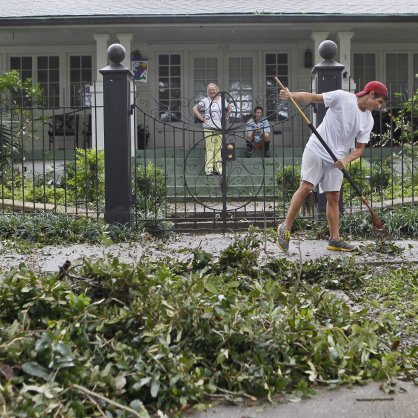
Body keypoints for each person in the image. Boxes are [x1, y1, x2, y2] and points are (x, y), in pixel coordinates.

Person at [277, 80, 388, 253]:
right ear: (371, 94)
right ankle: (285, 228)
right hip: (317, 148)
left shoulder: (368, 120)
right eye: (378, 102)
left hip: (336, 159)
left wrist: (345, 160)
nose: (378, 106)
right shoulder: (342, 98)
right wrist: (291, 95)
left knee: (334, 197)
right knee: (306, 187)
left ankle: (335, 240)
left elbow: (359, 150)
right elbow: (312, 97)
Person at [193, 83, 232, 175]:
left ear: (217, 90)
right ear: (208, 91)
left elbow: (230, 108)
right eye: (210, 90)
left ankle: (218, 168)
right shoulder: (205, 100)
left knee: (218, 148)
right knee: (210, 148)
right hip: (208, 127)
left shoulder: (222, 100)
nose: (212, 91)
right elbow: (194, 108)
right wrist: (201, 118)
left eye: (213, 89)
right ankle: (209, 169)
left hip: (219, 127)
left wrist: (225, 117)